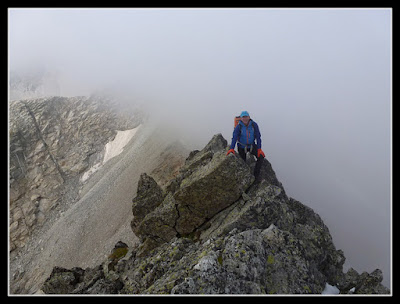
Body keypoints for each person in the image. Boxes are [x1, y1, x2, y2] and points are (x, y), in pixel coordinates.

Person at [226, 111, 265, 180]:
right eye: (243, 117)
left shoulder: (254, 125)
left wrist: (259, 149)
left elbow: (258, 137)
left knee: (261, 157)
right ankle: (245, 177)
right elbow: (234, 137)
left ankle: (256, 176)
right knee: (243, 163)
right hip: (241, 147)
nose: (245, 119)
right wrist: (231, 148)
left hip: (252, 146)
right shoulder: (239, 126)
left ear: (249, 117)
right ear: (241, 118)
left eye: (246, 117)